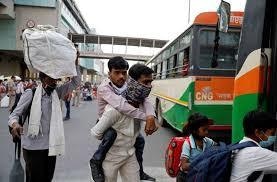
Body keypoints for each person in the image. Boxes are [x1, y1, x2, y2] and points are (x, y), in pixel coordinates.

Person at [8, 53, 81, 182]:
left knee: (47, 178)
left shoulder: (56, 92)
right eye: (51, 78)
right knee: (35, 179)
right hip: (32, 148)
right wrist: (15, 125)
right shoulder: (30, 93)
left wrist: (75, 62)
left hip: (50, 147)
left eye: (56, 79)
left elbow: (75, 82)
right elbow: (14, 115)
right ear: (43, 78)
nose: (54, 81)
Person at [89, 57, 157, 182]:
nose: (121, 76)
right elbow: (122, 106)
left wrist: (151, 116)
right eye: (117, 72)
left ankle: (140, 171)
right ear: (109, 73)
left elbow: (145, 99)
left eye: (124, 72)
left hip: (127, 151)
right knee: (110, 136)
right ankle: (96, 160)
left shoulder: (129, 85)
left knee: (139, 141)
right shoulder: (104, 88)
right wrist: (146, 118)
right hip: (105, 123)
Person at [230, 110, 277, 182]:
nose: (273, 137)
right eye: (272, 133)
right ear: (258, 132)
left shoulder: (238, 147)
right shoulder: (255, 153)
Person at [177, 113, 216, 182]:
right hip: (185, 177)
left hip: (198, 175)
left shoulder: (208, 141)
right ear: (195, 131)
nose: (207, 132)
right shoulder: (188, 144)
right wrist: (203, 164)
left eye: (207, 129)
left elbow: (219, 149)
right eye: (204, 130)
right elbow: (184, 166)